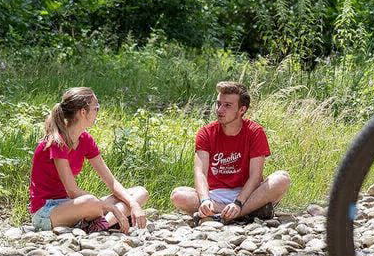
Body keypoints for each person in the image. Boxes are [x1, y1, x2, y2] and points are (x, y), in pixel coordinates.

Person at [29, 87, 149, 233]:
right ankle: (105, 220)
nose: (98, 112)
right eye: (96, 108)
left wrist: (133, 204)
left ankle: (101, 225)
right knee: (91, 202)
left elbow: (111, 182)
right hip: (46, 211)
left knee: (139, 193)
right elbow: (72, 191)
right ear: (83, 112)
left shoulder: (85, 139)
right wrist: (110, 207)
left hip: (71, 205)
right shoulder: (57, 141)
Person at [171, 81, 290, 224]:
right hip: (215, 195)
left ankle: (231, 213)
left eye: (227, 105)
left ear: (241, 110)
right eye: (218, 104)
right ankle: (251, 211)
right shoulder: (206, 132)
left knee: (282, 179)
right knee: (178, 195)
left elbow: (255, 177)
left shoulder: (255, 132)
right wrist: (204, 200)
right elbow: (200, 172)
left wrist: (238, 203)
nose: (220, 110)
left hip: (248, 194)